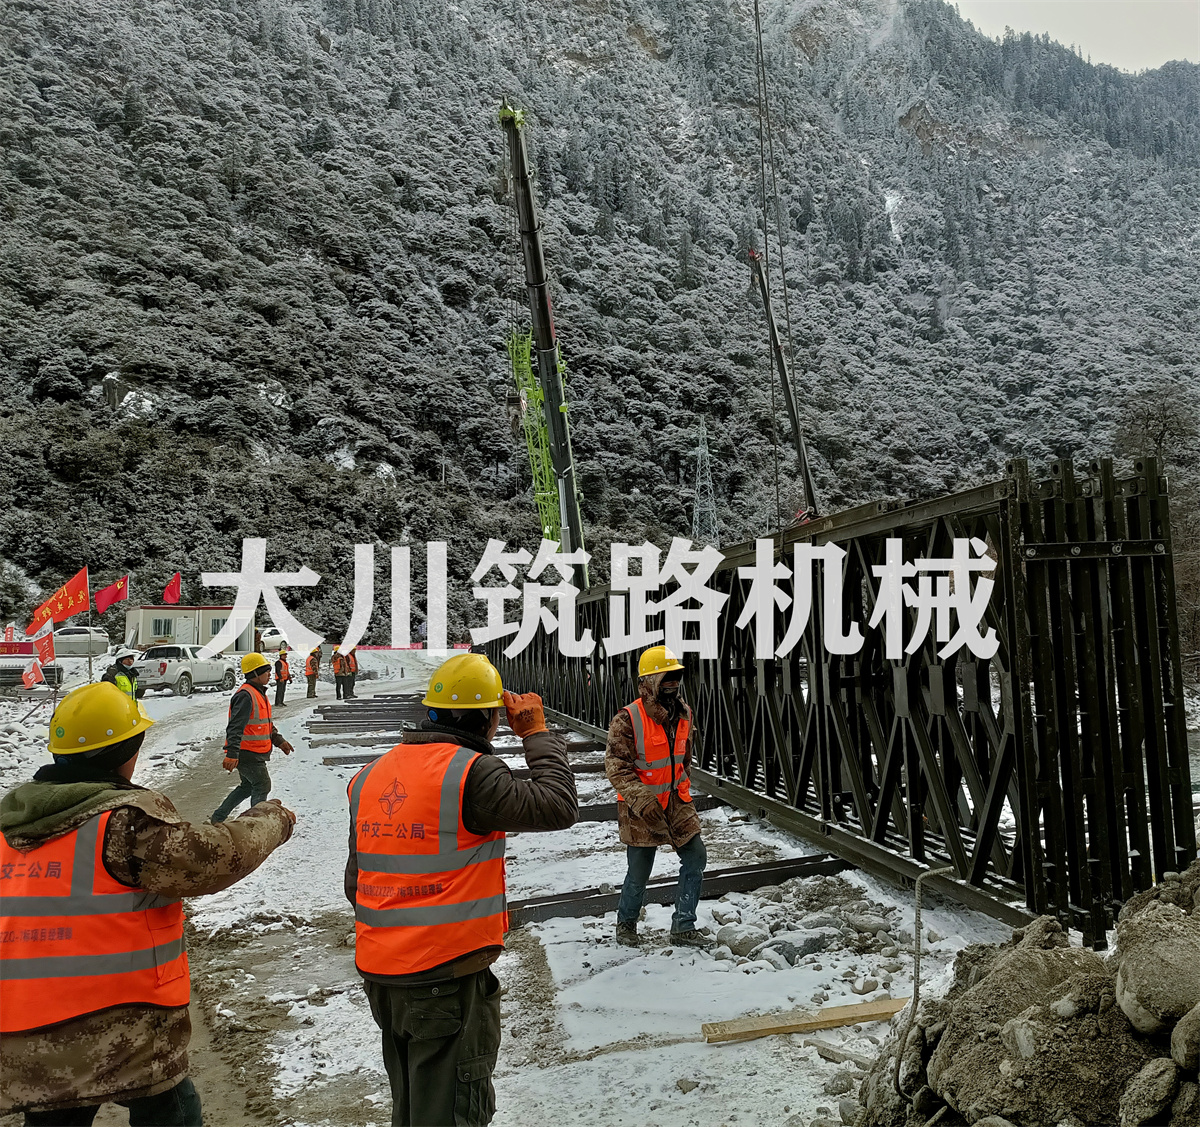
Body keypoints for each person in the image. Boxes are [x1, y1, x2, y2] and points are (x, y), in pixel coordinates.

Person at [0, 682, 296, 1124]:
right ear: (129, 751)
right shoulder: (122, 824)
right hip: (124, 1026)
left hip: (24, 1031)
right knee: (174, 1112)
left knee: (53, 1116)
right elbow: (216, 857)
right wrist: (273, 818)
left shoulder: (10, 828)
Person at [345, 653, 577, 1126]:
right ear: (491, 719)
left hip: (384, 976)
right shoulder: (470, 774)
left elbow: (357, 883)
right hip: (444, 979)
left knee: (414, 1106)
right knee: (451, 1113)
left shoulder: (371, 776)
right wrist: (535, 733)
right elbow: (558, 806)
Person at [605, 645, 708, 947]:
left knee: (696, 856)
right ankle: (626, 924)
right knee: (639, 871)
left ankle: (683, 926)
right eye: (666, 678)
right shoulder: (627, 719)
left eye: (675, 677)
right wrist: (643, 800)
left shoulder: (684, 713)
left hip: (676, 800)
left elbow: (683, 758)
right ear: (649, 682)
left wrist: (679, 787)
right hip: (641, 807)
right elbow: (616, 767)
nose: (672, 684)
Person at [211, 653, 294, 824]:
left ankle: (218, 818)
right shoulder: (246, 696)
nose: (270, 674)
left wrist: (279, 741)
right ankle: (256, 825)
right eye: (266, 671)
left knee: (247, 786)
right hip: (247, 751)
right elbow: (235, 727)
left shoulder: (258, 693)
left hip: (254, 751)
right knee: (263, 784)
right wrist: (232, 753)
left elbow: (265, 724)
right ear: (255, 674)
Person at [273, 643, 291, 708]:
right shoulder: (279, 662)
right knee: (279, 691)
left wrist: (289, 678)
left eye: (286, 655)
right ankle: (278, 702)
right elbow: (278, 671)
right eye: (284, 655)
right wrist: (280, 678)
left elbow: (286, 671)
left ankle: (281, 701)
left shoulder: (285, 663)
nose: (285, 656)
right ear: (281, 655)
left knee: (282, 691)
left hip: (284, 678)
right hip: (280, 679)